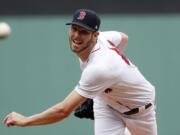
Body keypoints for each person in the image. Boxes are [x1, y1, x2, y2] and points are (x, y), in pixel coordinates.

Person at [3, 9, 157, 135]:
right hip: (107, 105)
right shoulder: (103, 38)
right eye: (74, 29)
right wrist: (107, 84)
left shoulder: (100, 68)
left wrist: (25, 121)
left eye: (83, 32)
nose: (76, 36)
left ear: (95, 35)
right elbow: (124, 37)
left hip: (140, 111)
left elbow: (63, 111)